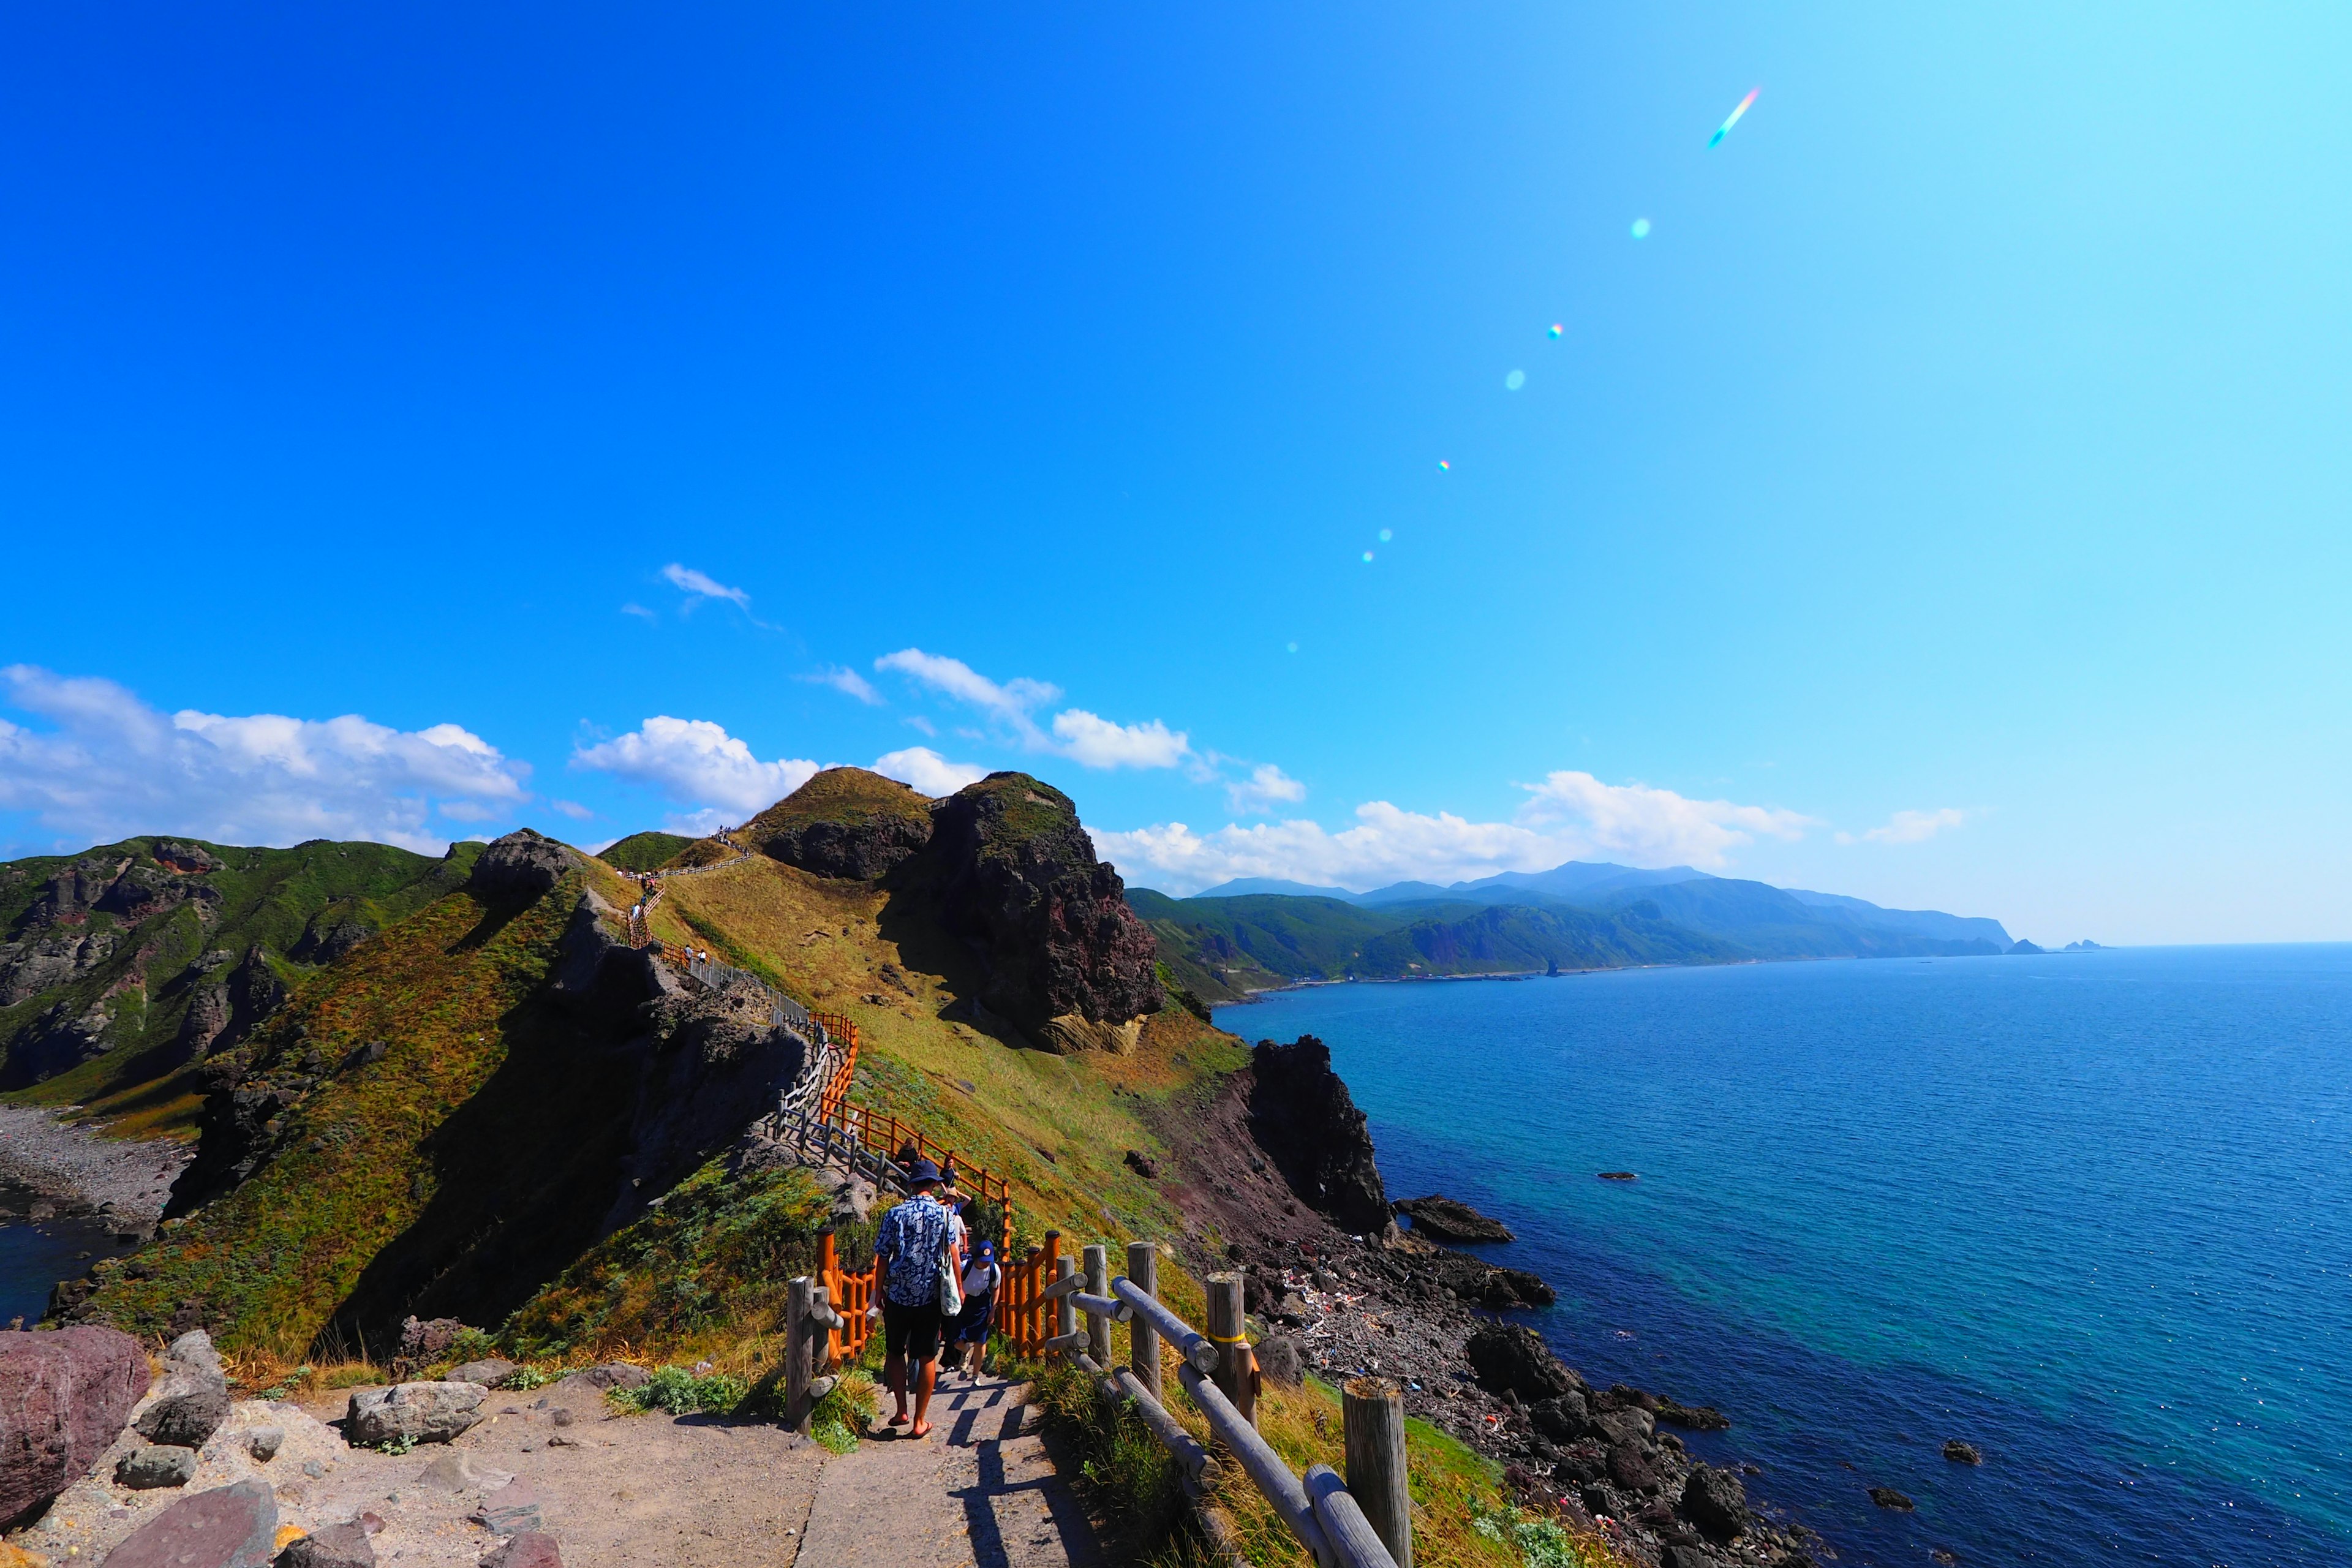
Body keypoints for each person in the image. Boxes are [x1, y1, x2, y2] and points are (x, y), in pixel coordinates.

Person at [870, 1157, 960, 1438]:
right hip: (931, 1297)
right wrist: (960, 1289)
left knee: (896, 1352)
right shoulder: (946, 1215)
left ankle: (901, 1411)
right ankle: (920, 1421)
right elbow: (954, 1255)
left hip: (898, 1295)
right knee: (927, 1355)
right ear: (934, 1184)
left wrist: (878, 1292)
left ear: (911, 1184)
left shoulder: (894, 1214)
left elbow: (882, 1258)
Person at [953, 1240, 1001, 1381]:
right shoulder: (964, 1267)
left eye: (988, 1260)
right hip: (963, 1304)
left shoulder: (994, 1270)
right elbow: (954, 1281)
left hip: (982, 1304)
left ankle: (975, 1375)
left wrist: (993, 1310)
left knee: (981, 1340)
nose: (986, 1264)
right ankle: (965, 1349)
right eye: (983, 1261)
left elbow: (996, 1288)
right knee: (956, 1340)